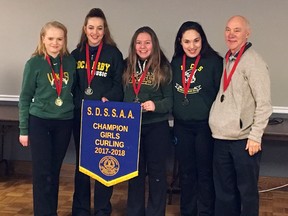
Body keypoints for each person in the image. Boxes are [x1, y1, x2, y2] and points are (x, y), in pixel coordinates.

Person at [209, 15, 272, 216]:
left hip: (243, 141)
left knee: (246, 194)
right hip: (221, 138)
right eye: (228, 29)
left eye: (237, 30)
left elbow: (264, 104)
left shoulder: (253, 61)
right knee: (224, 193)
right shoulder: (228, 58)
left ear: (247, 33)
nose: (231, 34)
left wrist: (255, 136)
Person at [18, 21, 75, 215]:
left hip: (64, 121)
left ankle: (52, 211)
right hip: (39, 121)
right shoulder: (34, 63)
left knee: (54, 170)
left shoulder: (70, 62)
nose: (55, 43)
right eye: (51, 38)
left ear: (64, 40)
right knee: (42, 172)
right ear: (43, 39)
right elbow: (25, 97)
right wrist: (23, 130)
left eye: (60, 39)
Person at [71, 8, 124, 216]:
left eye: (99, 28)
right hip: (81, 116)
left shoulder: (114, 54)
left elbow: (119, 84)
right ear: (85, 29)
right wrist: (80, 101)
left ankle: (102, 208)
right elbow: (71, 85)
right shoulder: (75, 55)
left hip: (104, 118)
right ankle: (81, 209)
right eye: (91, 28)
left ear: (104, 30)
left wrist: (108, 98)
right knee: (82, 165)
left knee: (103, 164)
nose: (95, 32)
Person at [171, 21, 223, 216]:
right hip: (181, 127)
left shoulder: (214, 62)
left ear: (203, 40)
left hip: (205, 128)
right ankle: (188, 211)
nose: (192, 46)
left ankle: (206, 212)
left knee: (205, 173)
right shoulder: (176, 62)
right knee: (186, 173)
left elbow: (222, 95)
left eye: (196, 40)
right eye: (187, 41)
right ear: (180, 42)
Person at [122, 26, 173, 216]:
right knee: (133, 173)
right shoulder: (126, 65)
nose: (142, 47)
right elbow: (120, 95)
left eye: (147, 42)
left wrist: (155, 105)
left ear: (154, 44)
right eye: (138, 42)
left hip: (156, 126)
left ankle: (155, 212)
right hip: (132, 127)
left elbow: (170, 101)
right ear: (133, 45)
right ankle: (134, 211)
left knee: (156, 173)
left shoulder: (164, 68)